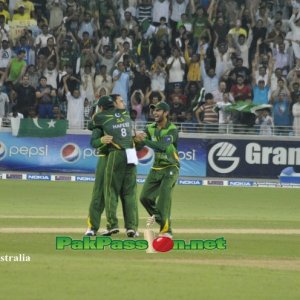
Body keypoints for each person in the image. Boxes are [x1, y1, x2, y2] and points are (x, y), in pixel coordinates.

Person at [92, 94, 139, 237]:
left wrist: (99, 113)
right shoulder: (125, 115)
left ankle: (112, 225)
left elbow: (91, 123)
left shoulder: (101, 117)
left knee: (110, 190)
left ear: (101, 108)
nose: (123, 103)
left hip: (116, 153)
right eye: (121, 101)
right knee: (130, 193)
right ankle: (132, 228)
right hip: (131, 153)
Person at [137, 101, 180, 238]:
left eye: (158, 110)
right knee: (144, 198)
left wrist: (143, 141)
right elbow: (138, 146)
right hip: (156, 167)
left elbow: (161, 146)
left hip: (171, 167)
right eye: (153, 110)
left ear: (166, 113)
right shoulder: (149, 128)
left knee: (163, 198)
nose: (155, 112)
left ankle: (166, 231)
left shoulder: (172, 129)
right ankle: (163, 219)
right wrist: (136, 139)